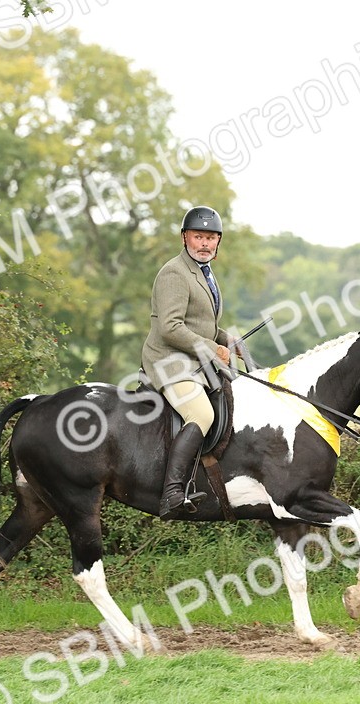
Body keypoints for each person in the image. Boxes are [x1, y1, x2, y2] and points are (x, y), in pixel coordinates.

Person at [141, 205, 233, 520]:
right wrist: (211, 347)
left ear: (218, 241)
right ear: (185, 237)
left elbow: (201, 323)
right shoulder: (174, 273)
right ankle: (171, 494)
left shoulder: (204, 272)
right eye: (198, 236)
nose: (205, 243)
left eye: (211, 237)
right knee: (201, 414)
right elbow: (170, 327)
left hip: (193, 359)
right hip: (169, 360)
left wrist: (226, 339)